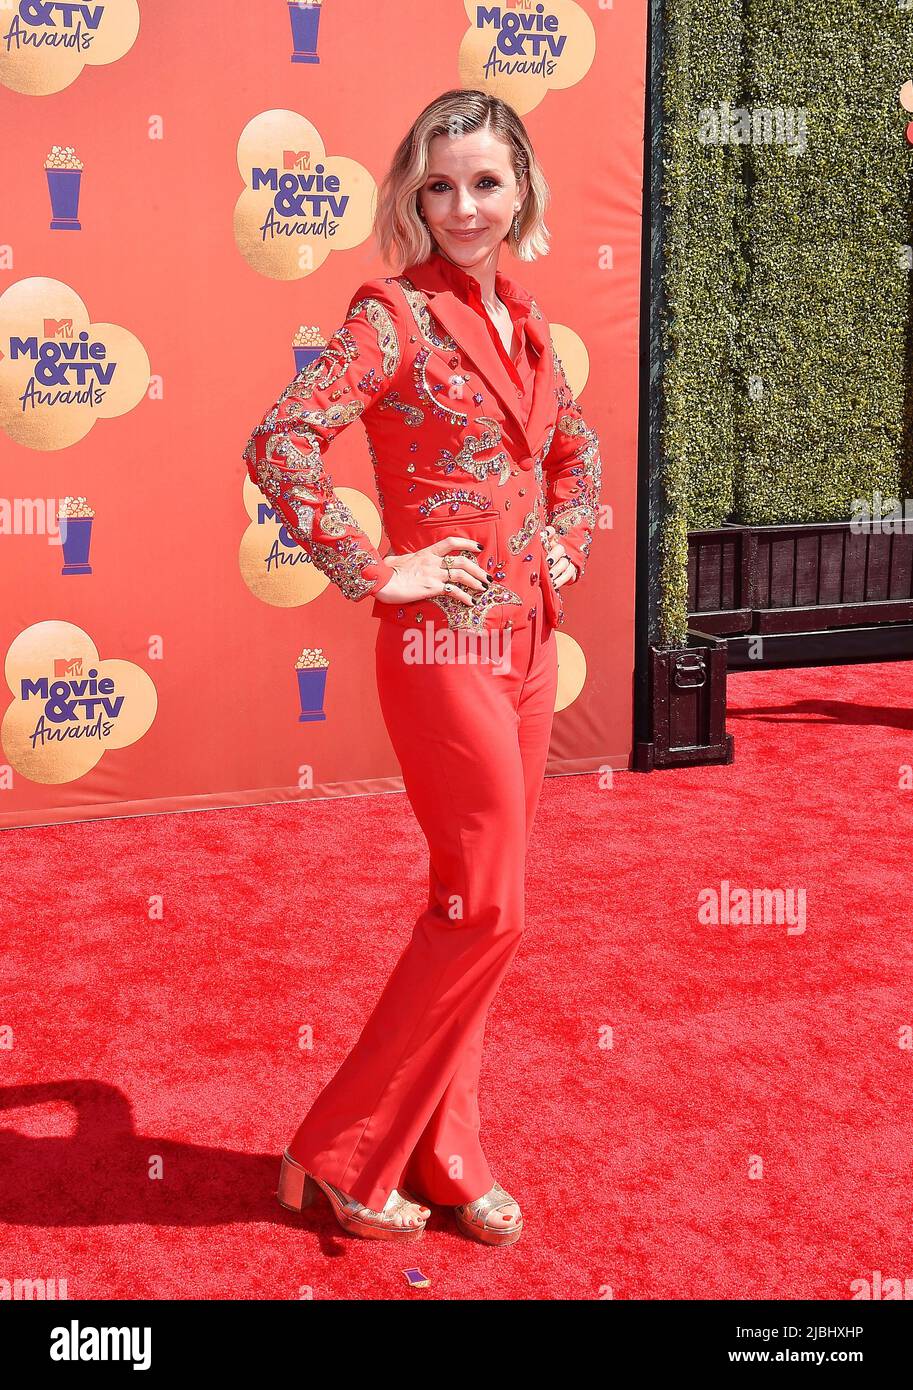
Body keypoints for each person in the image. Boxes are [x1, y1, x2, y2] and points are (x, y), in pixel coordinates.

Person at [242, 89, 602, 1246]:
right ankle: (338, 1152)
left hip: (529, 649)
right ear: (410, 192)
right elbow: (281, 436)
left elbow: (577, 461)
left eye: (485, 182)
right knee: (486, 904)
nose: (462, 205)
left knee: (485, 906)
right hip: (444, 644)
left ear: (522, 191)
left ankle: (449, 1147)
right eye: (439, 185)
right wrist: (373, 569)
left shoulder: (531, 323)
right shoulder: (391, 316)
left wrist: (564, 541)